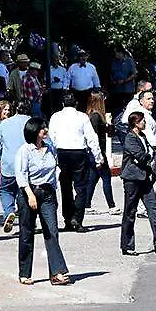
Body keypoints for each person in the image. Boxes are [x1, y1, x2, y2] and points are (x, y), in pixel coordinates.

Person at [13, 117, 70, 284]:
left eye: (45, 127)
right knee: (27, 232)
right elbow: (21, 175)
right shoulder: (24, 150)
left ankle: (57, 272)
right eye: (41, 128)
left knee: (52, 231)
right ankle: (24, 273)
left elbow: (55, 170)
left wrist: (53, 189)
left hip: (47, 193)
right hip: (29, 192)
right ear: (34, 132)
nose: (45, 130)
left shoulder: (50, 148)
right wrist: (30, 195)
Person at [48, 92, 103, 233]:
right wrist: (98, 158)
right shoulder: (82, 117)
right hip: (79, 152)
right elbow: (92, 138)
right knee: (80, 188)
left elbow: (51, 138)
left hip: (62, 153)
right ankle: (77, 220)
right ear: (76, 104)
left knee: (65, 188)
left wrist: (52, 157)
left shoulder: (56, 117)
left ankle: (68, 219)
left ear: (62, 104)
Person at [119, 111, 156, 255]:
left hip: (145, 178)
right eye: (142, 121)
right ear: (135, 123)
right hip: (132, 179)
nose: (144, 123)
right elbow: (141, 156)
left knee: (154, 209)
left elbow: (149, 153)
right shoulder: (130, 138)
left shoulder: (143, 136)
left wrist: (152, 155)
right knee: (130, 212)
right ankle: (127, 245)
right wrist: (150, 156)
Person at [0, 100, 31, 233]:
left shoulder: (5, 123)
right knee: (24, 194)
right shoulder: (33, 122)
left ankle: (9, 211)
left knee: (6, 191)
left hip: (9, 164)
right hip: (27, 165)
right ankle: (25, 224)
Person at [86, 91, 120, 216]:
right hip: (97, 152)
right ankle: (111, 205)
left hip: (96, 152)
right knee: (106, 178)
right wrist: (98, 157)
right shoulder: (95, 116)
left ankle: (87, 204)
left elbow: (110, 133)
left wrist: (109, 123)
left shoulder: (96, 115)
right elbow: (94, 138)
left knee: (93, 179)